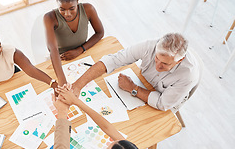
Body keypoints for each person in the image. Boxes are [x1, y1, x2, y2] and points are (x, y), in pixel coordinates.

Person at [72, 33, 200, 112]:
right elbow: (114, 60)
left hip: (167, 102)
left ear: (180, 60)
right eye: (156, 58)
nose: (158, 66)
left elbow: (162, 104)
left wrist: (133, 88)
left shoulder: (188, 75)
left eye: (165, 64)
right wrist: (77, 86)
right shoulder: (150, 45)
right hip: (144, 82)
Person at [44, 0, 104, 85]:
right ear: (57, 3)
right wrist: (62, 79)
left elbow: (100, 33)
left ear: (77, 1)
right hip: (60, 60)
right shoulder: (50, 18)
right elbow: (52, 49)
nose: (67, 14)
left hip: (84, 52)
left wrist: (80, 50)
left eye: (72, 8)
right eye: (62, 9)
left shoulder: (88, 9)